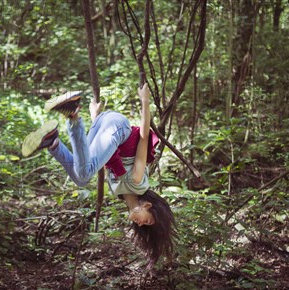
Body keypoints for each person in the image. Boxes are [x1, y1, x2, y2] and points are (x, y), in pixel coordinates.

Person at [22, 84, 176, 266]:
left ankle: (53, 142)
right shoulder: (136, 182)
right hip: (119, 128)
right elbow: (143, 138)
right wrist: (145, 100)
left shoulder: (120, 192)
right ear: (148, 205)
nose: (141, 224)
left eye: (143, 226)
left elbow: (101, 155)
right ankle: (73, 117)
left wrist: (96, 116)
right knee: (85, 175)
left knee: (81, 176)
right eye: (147, 221)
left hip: (104, 124)